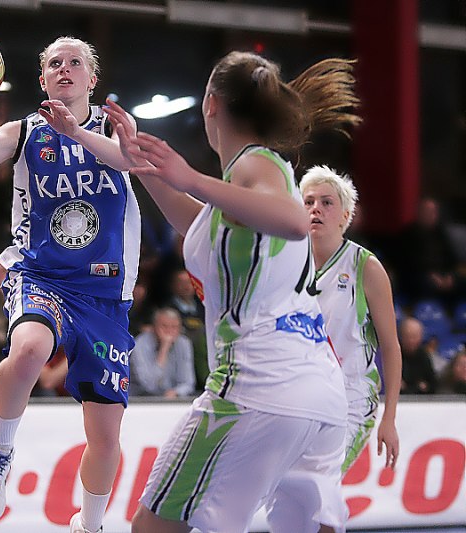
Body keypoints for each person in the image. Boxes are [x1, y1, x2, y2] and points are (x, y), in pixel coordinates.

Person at [105, 50, 360, 532]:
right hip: (318, 392)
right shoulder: (242, 187)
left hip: (257, 384)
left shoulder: (255, 165)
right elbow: (198, 225)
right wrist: (142, 164)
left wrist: (190, 177)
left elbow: (293, 221)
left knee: (154, 526)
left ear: (211, 104)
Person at [0, 36, 141, 533]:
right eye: (54, 63)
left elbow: (130, 160)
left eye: (75, 62)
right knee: (29, 349)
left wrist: (75, 133)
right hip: (41, 274)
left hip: (104, 294)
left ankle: (91, 523)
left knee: (106, 433)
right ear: (42, 79)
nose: (65, 69)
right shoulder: (24, 132)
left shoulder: (115, 126)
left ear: (92, 79)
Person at [300, 165, 401, 473]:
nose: (316, 208)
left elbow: (391, 346)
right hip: (301, 397)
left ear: (345, 215)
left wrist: (390, 418)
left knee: (319, 483)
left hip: (351, 400)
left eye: (326, 202)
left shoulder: (365, 266)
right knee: (288, 491)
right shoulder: (287, 261)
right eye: (308, 201)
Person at [130, 308, 195, 397]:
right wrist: (164, 348)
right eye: (164, 326)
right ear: (154, 327)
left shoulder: (184, 343)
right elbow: (149, 385)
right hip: (141, 399)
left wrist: (176, 392)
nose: (169, 331)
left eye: (174, 327)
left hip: (172, 399)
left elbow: (188, 383)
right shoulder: (140, 344)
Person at [399, 317, 438, 394]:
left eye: (414, 337)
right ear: (401, 336)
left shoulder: (424, 356)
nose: (411, 340)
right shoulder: (394, 356)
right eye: (408, 336)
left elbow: (432, 384)